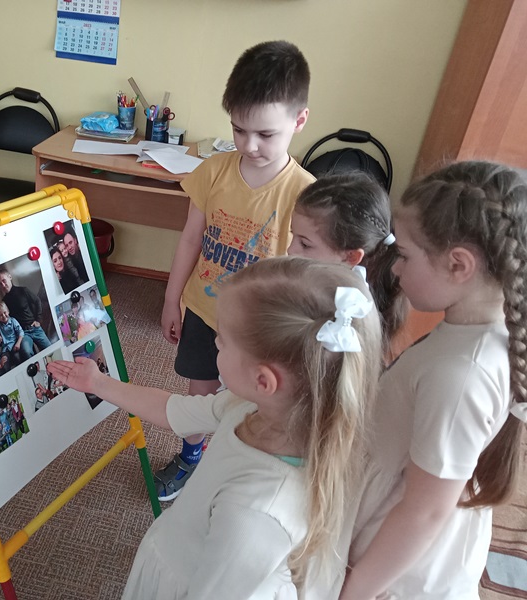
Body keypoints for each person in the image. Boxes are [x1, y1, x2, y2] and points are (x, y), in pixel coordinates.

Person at [49, 257, 382, 598]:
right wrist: (99, 383)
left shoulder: (256, 513)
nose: (215, 345)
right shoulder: (250, 406)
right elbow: (174, 410)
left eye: (221, 341)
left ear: (263, 380)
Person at [340, 161, 527, 600]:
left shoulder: (461, 376)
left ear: (458, 265)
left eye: (404, 255)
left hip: (396, 575)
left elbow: (424, 513)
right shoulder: (476, 335)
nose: (395, 269)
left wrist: (354, 591)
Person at [158, 40, 315, 500]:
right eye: (239, 130)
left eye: (266, 134)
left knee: (253, 402)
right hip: (204, 310)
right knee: (200, 394)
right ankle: (191, 456)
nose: (249, 145)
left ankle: (239, 466)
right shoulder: (214, 171)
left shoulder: (304, 193)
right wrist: (171, 299)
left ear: (299, 121)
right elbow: (191, 238)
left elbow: (301, 273)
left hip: (259, 327)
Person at [287, 172, 408, 356]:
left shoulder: (345, 315)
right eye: (292, 235)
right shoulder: (309, 285)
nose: (290, 249)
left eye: (305, 244)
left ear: (351, 257)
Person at [0, 268, 53, 351]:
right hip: (23, 334)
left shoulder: (23, 290)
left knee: (51, 349)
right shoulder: (4, 302)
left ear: (10, 277)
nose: (3, 285)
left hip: (34, 327)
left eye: (4, 281)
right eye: (0, 284)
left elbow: (37, 301)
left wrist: (38, 320)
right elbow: (3, 322)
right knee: (27, 352)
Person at [0, 301, 35, 366]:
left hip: (14, 345)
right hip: (6, 349)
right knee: (4, 364)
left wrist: (18, 343)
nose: (3, 316)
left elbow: (21, 332)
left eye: (4, 312)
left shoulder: (13, 321)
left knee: (17, 357)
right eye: (1, 315)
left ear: (8, 311)